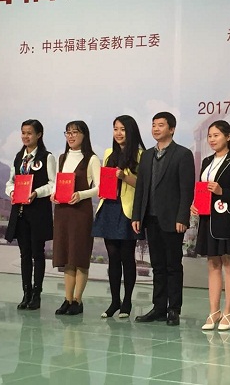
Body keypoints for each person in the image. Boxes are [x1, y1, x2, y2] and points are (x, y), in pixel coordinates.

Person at [131, 112, 195, 326]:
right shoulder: (147, 155)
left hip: (172, 219)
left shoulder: (183, 154)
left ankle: (174, 309)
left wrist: (182, 217)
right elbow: (141, 188)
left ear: (172, 129)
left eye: (161, 125)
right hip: (150, 217)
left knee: (173, 265)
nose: (156, 129)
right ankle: (158, 307)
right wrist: (137, 215)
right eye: (153, 125)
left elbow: (186, 190)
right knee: (157, 265)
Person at [191, 121, 230, 331]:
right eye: (210, 136)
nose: (212, 139)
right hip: (207, 218)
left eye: (216, 135)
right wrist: (195, 204)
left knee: (228, 264)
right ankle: (213, 311)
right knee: (212, 264)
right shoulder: (207, 161)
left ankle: (228, 311)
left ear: (228, 136)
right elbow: (201, 189)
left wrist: (222, 191)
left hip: (227, 218)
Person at [92, 115, 146, 319]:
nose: (118, 133)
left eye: (122, 129)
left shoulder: (141, 155)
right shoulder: (108, 153)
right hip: (109, 206)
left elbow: (142, 185)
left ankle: (127, 302)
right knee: (112, 257)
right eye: (115, 129)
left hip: (127, 210)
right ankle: (114, 301)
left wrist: (124, 176)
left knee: (127, 257)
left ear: (131, 131)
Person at [5, 119, 56, 310]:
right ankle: (25, 293)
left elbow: (53, 184)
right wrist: (12, 192)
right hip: (20, 213)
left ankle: (36, 295)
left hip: (38, 213)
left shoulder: (47, 157)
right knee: (24, 254)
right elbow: (10, 182)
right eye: (23, 133)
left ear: (39, 135)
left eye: (29, 133)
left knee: (37, 254)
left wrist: (36, 193)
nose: (25, 136)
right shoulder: (19, 157)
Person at [51, 120, 100, 316]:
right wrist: (54, 194)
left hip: (81, 212)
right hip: (62, 212)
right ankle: (67, 299)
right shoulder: (62, 158)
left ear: (84, 135)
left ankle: (78, 301)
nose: (71, 136)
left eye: (75, 132)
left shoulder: (92, 159)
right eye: (68, 133)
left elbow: (100, 188)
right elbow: (58, 183)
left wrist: (81, 194)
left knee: (79, 257)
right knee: (67, 258)